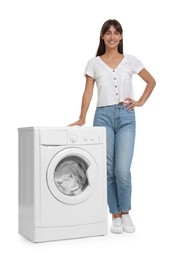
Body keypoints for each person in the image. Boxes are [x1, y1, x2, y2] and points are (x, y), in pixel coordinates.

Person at [69, 19, 156, 234]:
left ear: (121, 36)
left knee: (122, 170)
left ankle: (125, 212)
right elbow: (88, 92)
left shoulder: (131, 60)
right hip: (103, 117)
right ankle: (115, 215)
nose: (112, 36)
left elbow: (151, 81)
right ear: (102, 36)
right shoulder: (94, 63)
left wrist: (141, 101)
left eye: (116, 33)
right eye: (108, 33)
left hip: (126, 116)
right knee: (108, 170)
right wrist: (82, 117)